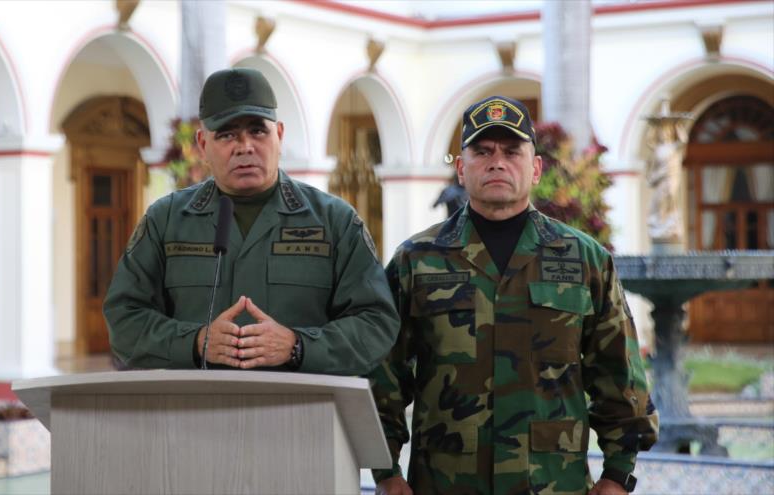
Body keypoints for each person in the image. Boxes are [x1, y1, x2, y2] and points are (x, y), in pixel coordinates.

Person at [370, 96, 658, 495]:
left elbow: (619, 372)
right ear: (460, 169)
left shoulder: (583, 259)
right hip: (446, 482)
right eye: (483, 152)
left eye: (511, 152)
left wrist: (618, 475)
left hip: (552, 483)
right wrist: (386, 473)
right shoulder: (416, 261)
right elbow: (383, 374)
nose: (497, 162)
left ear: (536, 168)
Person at [104, 68, 399, 374]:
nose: (244, 146)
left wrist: (298, 346)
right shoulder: (165, 221)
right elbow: (124, 320)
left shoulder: (335, 222)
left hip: (300, 413)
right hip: (194, 410)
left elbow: (376, 325)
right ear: (203, 145)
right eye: (227, 134)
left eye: (258, 131)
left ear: (279, 135)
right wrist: (194, 342)